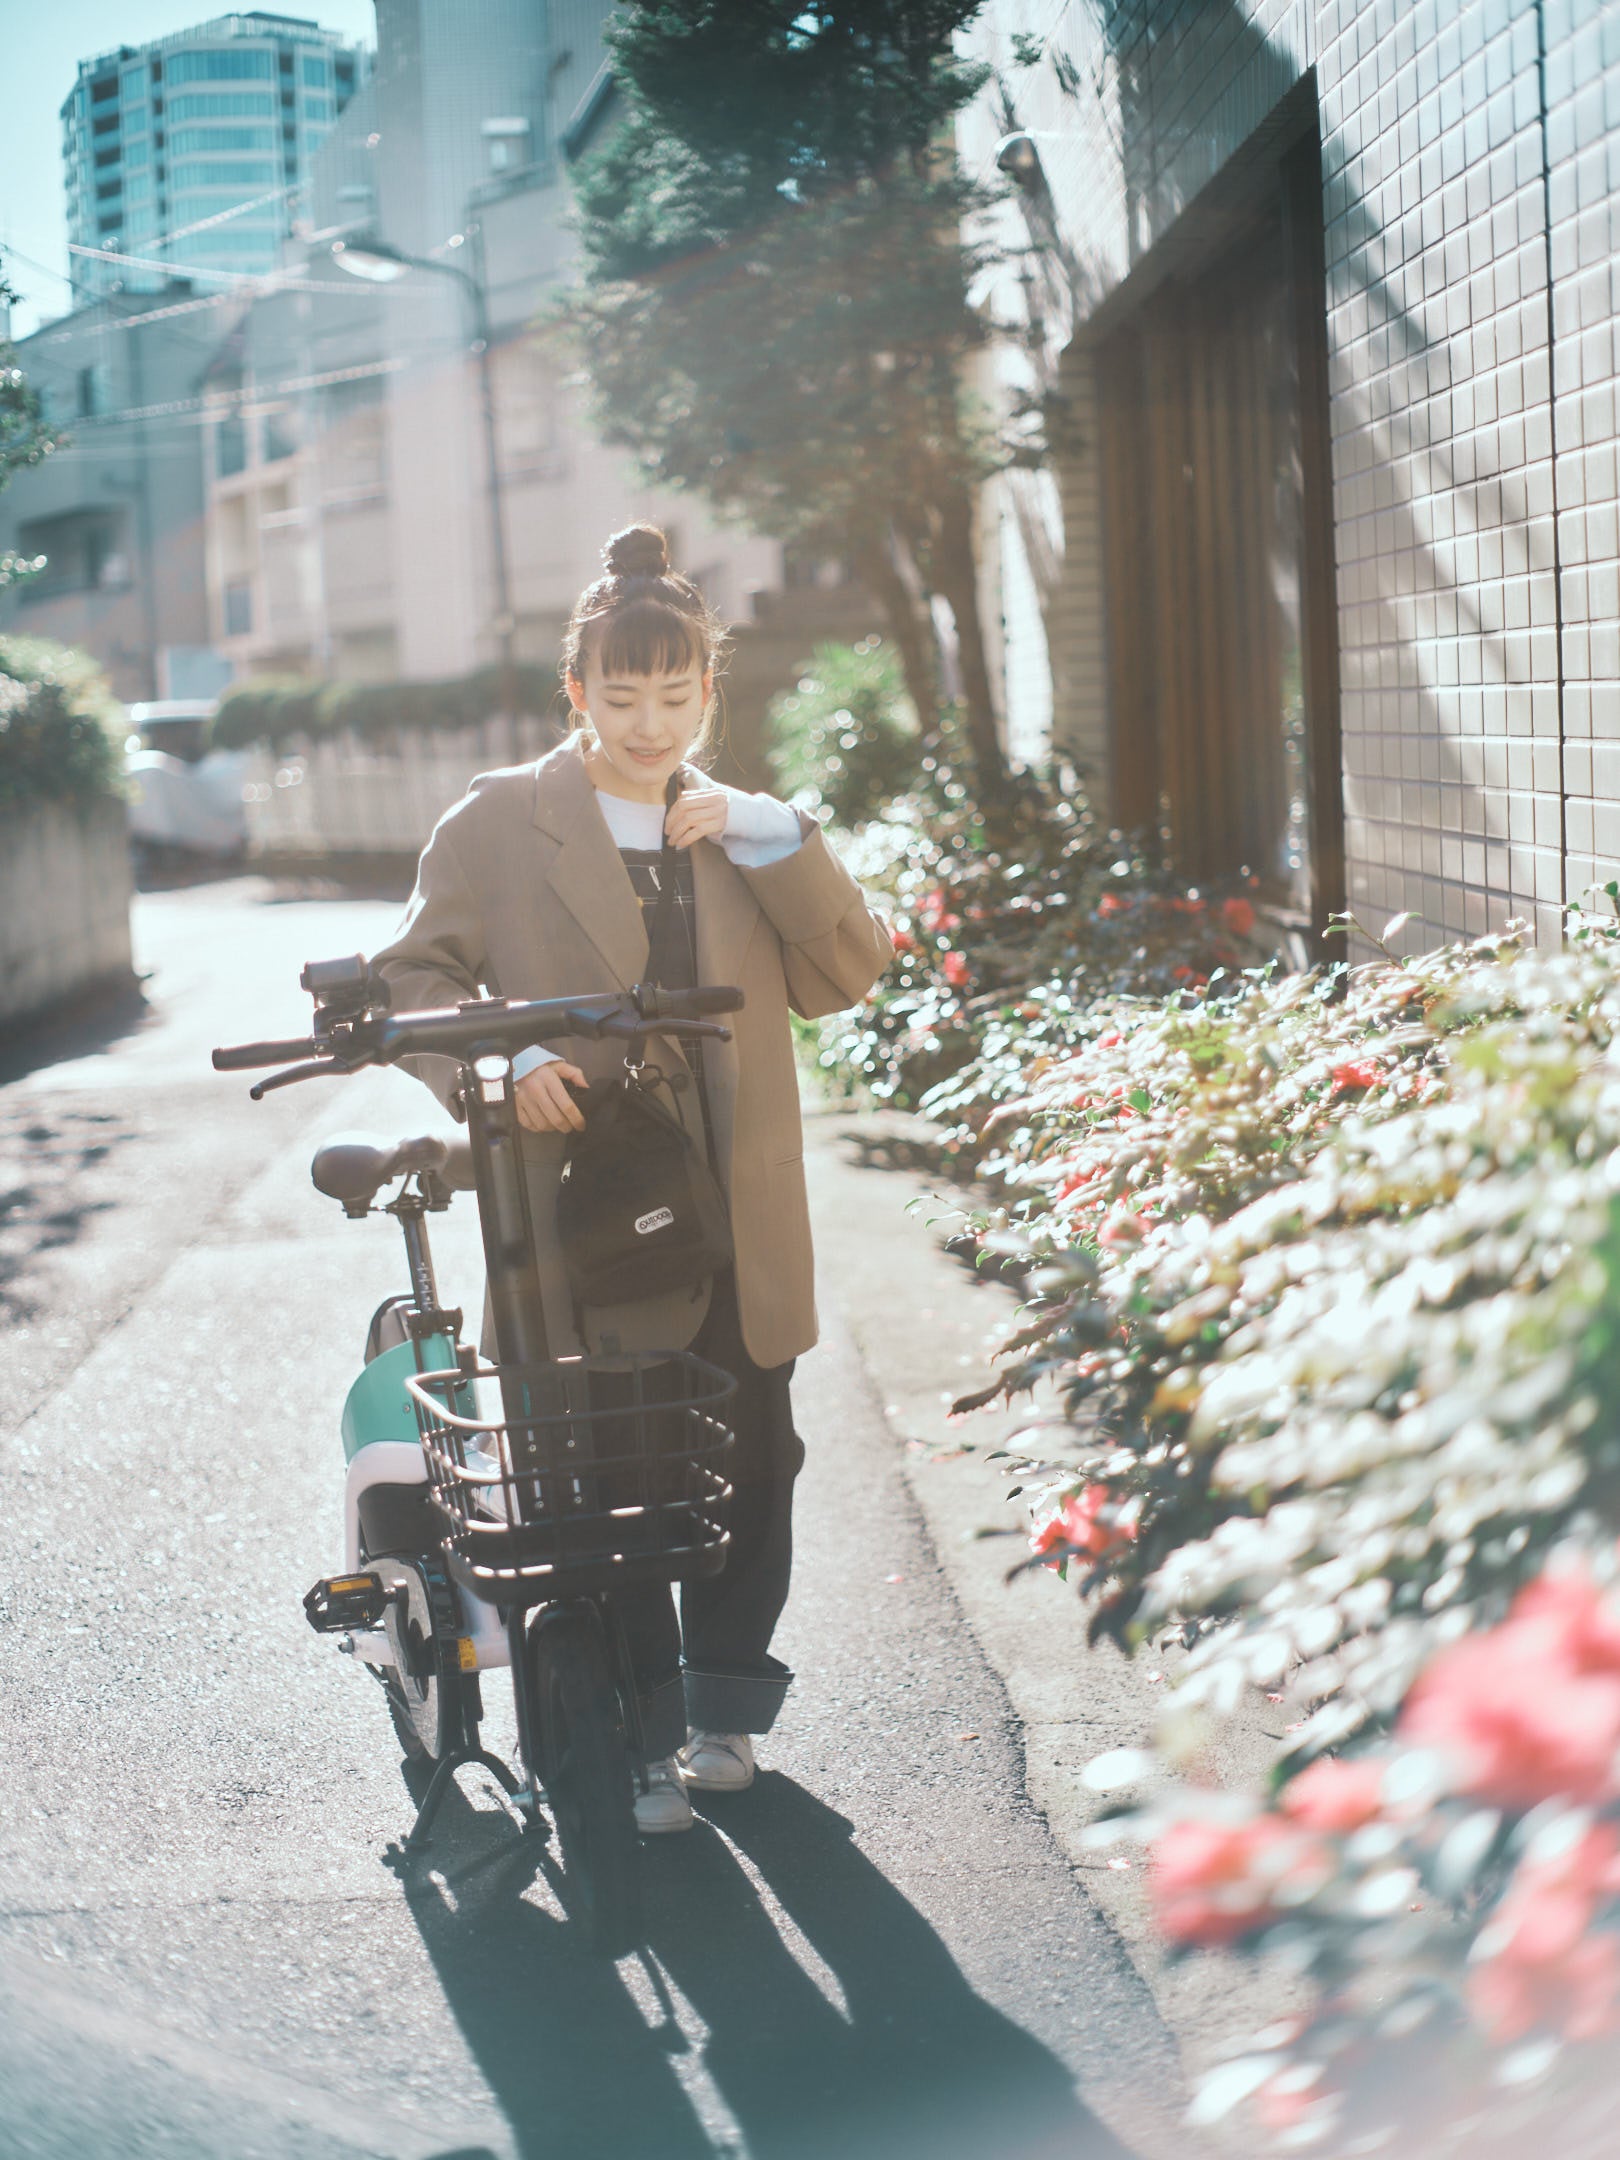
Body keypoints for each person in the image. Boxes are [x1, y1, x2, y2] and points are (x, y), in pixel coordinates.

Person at [373, 523, 893, 1832]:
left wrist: (786, 839)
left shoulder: (739, 827)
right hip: (580, 1204)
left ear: (710, 689)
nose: (650, 726)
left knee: (751, 1461)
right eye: (621, 698)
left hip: (734, 1201)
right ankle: (640, 1735)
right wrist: (502, 1062)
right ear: (576, 692)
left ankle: (725, 1714)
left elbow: (845, 976)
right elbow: (412, 978)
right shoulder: (501, 819)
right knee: (608, 1476)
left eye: (675, 697)